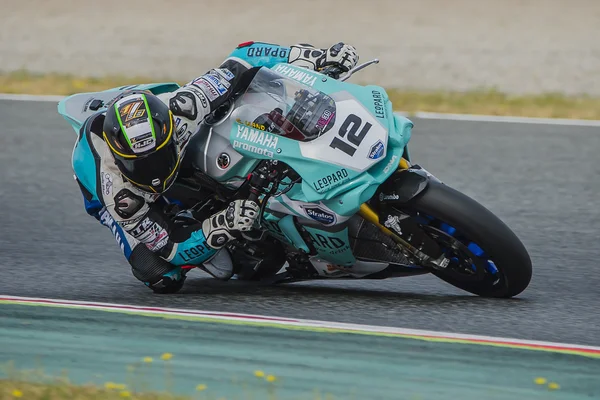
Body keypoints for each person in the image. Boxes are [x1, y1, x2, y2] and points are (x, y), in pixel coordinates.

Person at [71, 42, 359, 294]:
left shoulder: (186, 107)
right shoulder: (122, 199)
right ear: (122, 160)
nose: (154, 169)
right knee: (162, 275)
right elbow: (171, 245)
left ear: (171, 131)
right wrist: (221, 226)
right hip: (109, 195)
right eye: (141, 164)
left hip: (167, 137)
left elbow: (245, 56)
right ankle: (193, 218)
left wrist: (309, 56)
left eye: (158, 156)